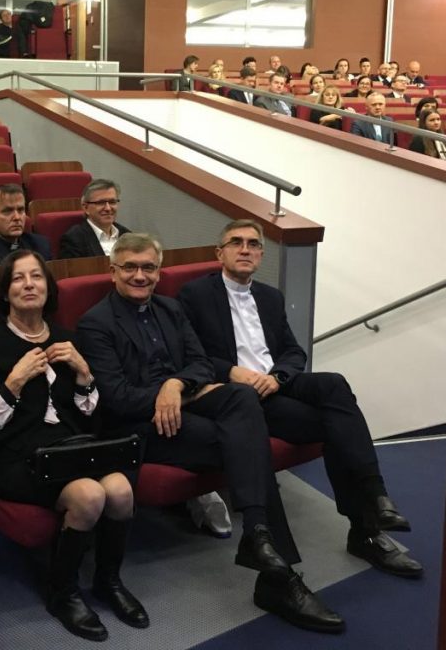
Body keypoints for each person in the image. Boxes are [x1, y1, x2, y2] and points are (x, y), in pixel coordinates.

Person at [76, 233, 344, 633]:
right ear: (112, 271)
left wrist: (177, 386)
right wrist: (175, 392)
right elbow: (118, 400)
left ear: (159, 272)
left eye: (148, 267)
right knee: (246, 443)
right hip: (141, 426)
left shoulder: (170, 308)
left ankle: (257, 533)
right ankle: (278, 576)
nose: (139, 276)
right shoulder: (95, 323)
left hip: (183, 403)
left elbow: (201, 364)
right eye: (129, 267)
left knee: (241, 398)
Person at [178, 221, 423, 580]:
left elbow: (293, 351)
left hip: (275, 384)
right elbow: (189, 353)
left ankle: (376, 496)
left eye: (253, 244)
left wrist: (278, 377)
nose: (245, 249)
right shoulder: (195, 295)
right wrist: (231, 371)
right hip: (240, 396)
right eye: (236, 243)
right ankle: (366, 530)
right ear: (220, 252)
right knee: (337, 427)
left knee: (334, 385)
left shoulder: (270, 297)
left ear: (261, 254)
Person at [0, 251, 147, 640]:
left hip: (69, 448)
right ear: (5, 292)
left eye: (37, 277)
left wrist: (83, 373)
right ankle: (63, 592)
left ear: (48, 288)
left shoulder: (67, 338)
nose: (29, 284)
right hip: (12, 455)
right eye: (18, 278)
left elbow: (90, 418)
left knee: (120, 490)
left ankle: (108, 581)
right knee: (88, 496)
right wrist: (13, 382)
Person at [58, 179, 131, 259]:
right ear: (86, 208)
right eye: (101, 203)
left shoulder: (127, 235)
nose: (108, 208)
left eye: (112, 202)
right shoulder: (74, 239)